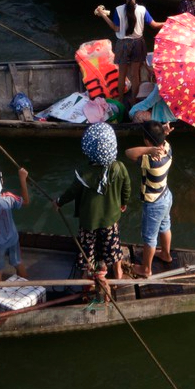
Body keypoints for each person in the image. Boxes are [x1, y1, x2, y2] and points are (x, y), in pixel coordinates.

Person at [59, 123, 133, 292]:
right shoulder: (119, 167)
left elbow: (71, 193)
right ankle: (118, 270)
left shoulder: (84, 173)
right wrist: (123, 202)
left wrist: (58, 202)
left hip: (88, 221)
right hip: (110, 218)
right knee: (112, 245)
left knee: (88, 248)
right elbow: (127, 187)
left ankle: (87, 277)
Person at [126, 123, 175, 276]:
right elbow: (160, 142)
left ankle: (146, 269)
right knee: (165, 226)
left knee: (149, 237)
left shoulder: (150, 160)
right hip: (166, 195)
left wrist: (148, 149)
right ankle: (166, 254)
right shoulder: (167, 147)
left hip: (154, 202)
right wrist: (163, 134)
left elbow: (129, 153)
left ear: (147, 142)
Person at [96, 0, 152, 103]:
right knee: (135, 75)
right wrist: (170, 22)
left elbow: (116, 28)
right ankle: (134, 102)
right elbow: (154, 24)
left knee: (122, 74)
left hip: (123, 44)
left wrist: (103, 15)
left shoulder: (118, 10)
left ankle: (120, 100)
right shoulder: (142, 10)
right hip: (138, 43)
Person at [0, 167, 30, 285]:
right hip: (13, 237)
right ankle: (27, 287)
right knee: (18, 263)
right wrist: (22, 179)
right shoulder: (8, 197)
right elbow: (25, 201)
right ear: (1, 182)